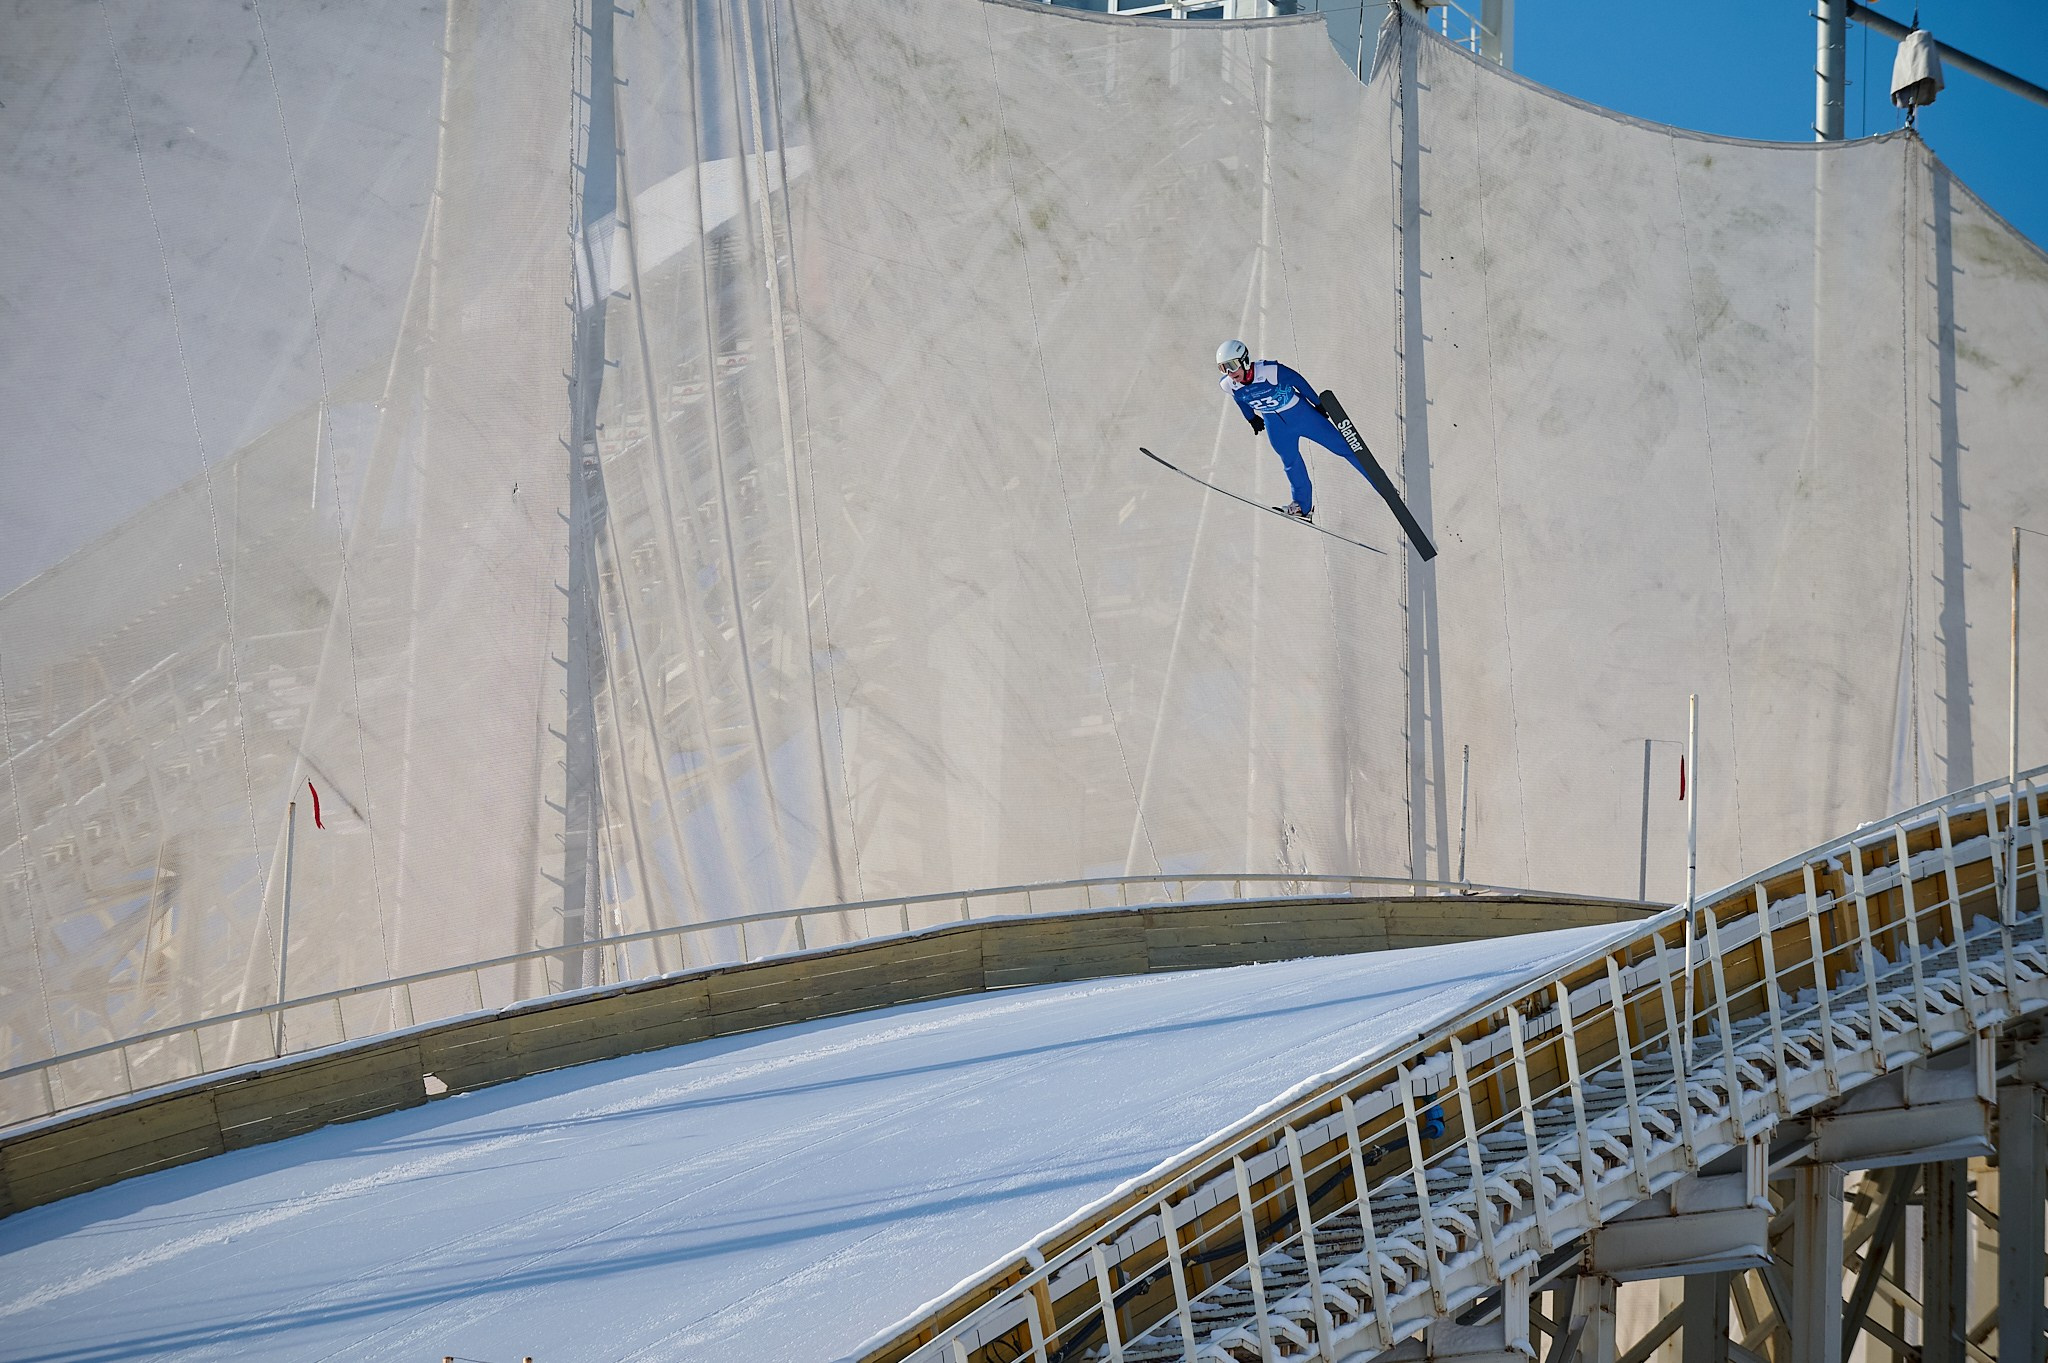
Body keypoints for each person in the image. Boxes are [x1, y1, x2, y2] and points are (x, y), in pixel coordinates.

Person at [1216, 339, 1360, 523]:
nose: (1229, 373)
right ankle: (1302, 507)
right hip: (1276, 427)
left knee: (1342, 447)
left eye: (1231, 365)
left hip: (1303, 416)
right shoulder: (1228, 384)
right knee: (1291, 463)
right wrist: (1251, 418)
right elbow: (1240, 400)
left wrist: (1317, 403)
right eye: (1223, 368)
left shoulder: (1270, 371)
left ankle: (1378, 481)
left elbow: (1298, 381)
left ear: (1244, 360)